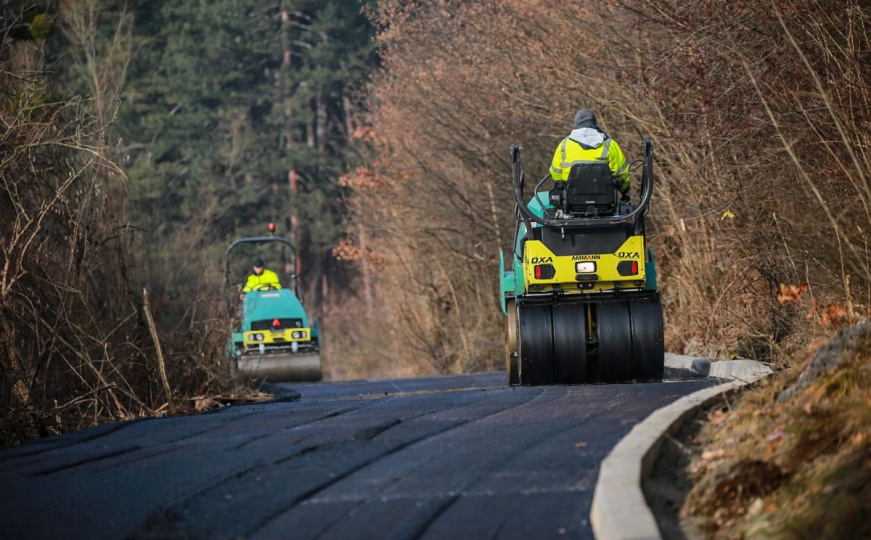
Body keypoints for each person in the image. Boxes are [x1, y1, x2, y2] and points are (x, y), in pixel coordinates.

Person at [549, 109, 631, 200]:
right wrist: (624, 189)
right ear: (594, 123)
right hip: (604, 202)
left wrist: (562, 184)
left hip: (572, 201)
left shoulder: (564, 144)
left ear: (576, 124)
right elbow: (622, 173)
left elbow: (555, 172)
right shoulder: (610, 144)